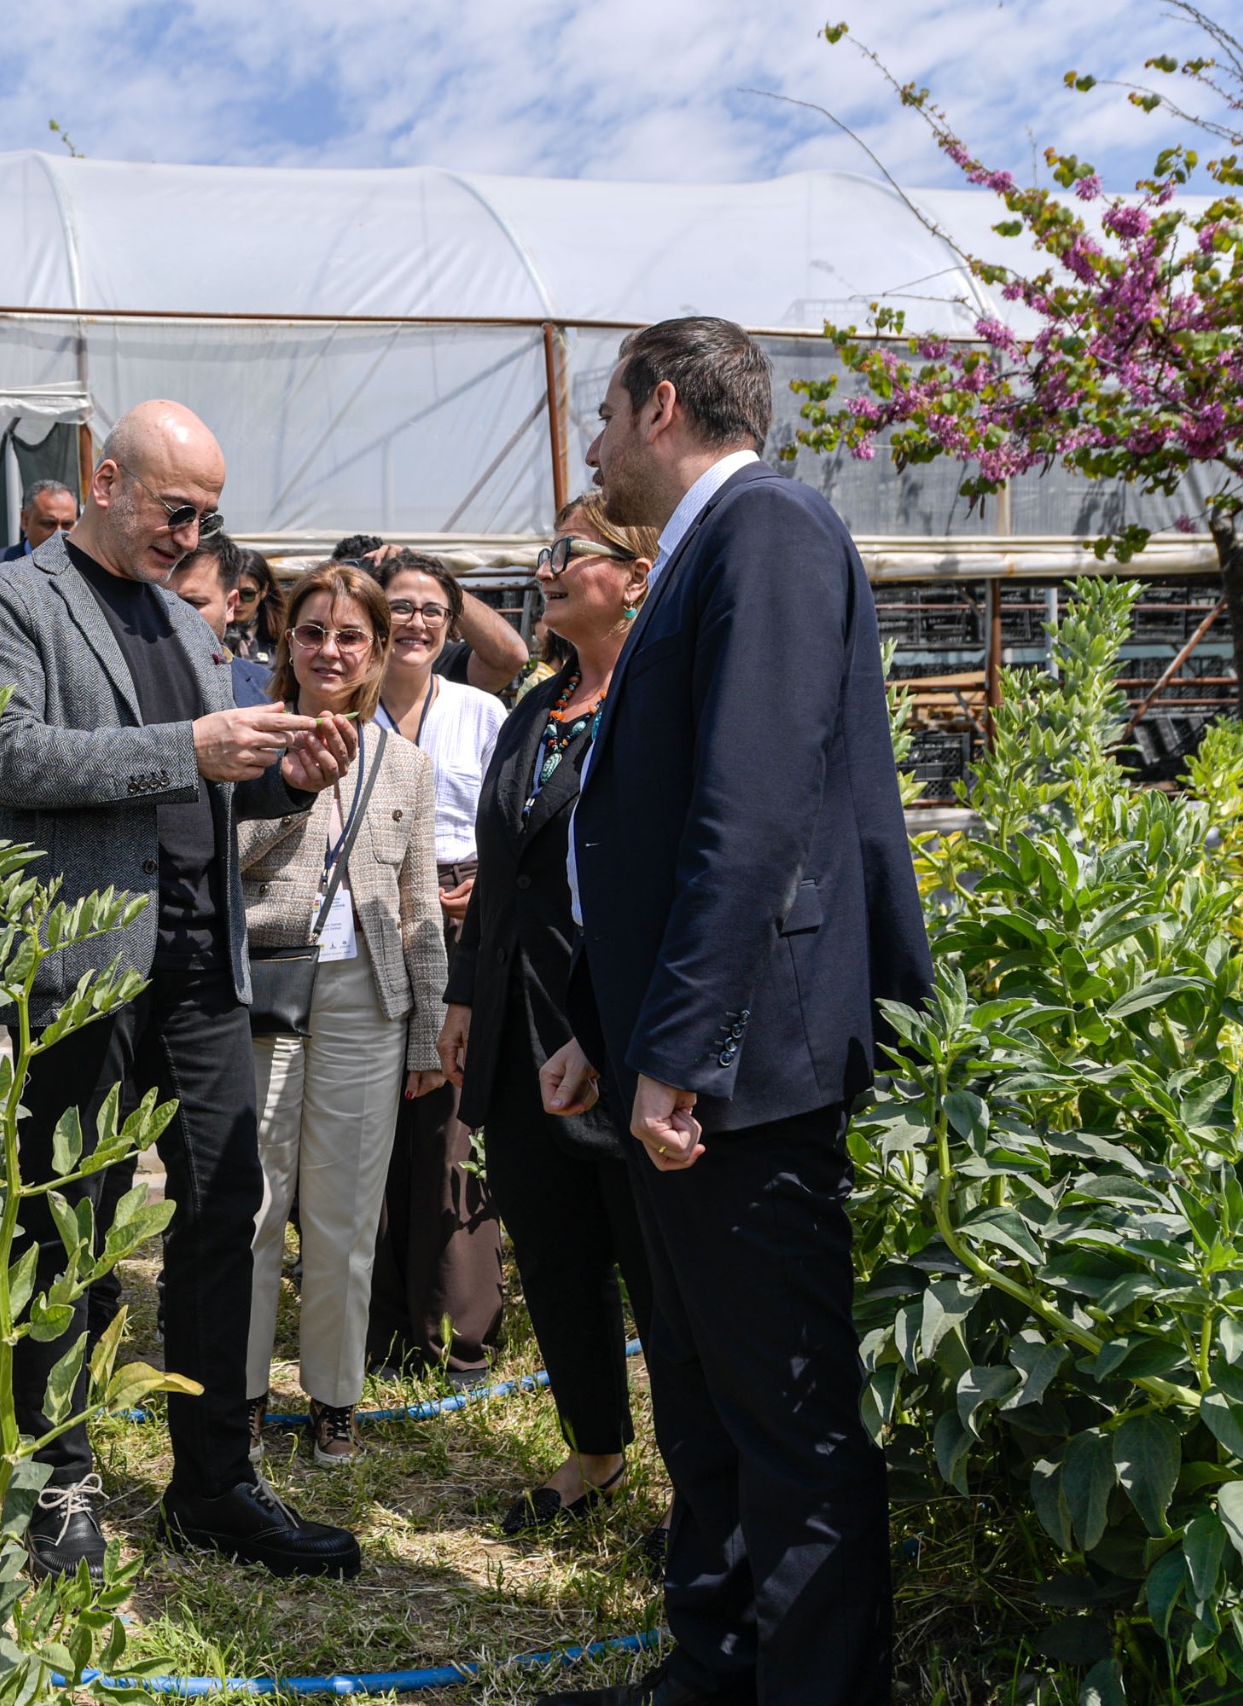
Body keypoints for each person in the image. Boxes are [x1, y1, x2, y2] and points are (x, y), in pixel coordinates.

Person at [532, 318, 931, 1706]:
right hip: (698, 1062)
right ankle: (715, 1670)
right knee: (704, 1402)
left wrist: (681, 1049)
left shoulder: (764, 528)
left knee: (790, 1421)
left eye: (600, 416)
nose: (588, 447)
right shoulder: (721, 544)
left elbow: (750, 815)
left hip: (745, 1076)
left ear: (657, 405)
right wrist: (616, 1028)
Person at [0, 399, 365, 1583]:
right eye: (172, 507)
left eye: (206, 516)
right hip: (83, 969)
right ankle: (58, 1476)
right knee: (67, 1225)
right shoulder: (12, 599)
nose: (190, 534)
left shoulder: (186, 628)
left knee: (222, 1209)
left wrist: (281, 778)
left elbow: (213, 797)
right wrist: (187, 745)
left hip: (197, 966)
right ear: (101, 475)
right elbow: (3, 756)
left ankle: (214, 1479)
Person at [436, 496, 660, 1543]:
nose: (547, 565)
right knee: (557, 1250)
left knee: (653, 1262)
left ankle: (703, 1478)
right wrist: (465, 993)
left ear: (637, 576)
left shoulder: (654, 705)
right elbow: (499, 872)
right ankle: (596, 1447)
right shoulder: (535, 707)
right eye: (545, 550)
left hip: (613, 1029)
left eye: (572, 552)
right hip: (518, 1029)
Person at [236, 562, 446, 1468]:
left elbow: (420, 907)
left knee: (345, 1214)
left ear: (377, 649)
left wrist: (429, 1027)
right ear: (288, 640)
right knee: (250, 1207)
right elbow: (228, 866)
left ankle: (333, 1399)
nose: (330, 650)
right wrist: (296, 781)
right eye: (313, 631)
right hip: (264, 992)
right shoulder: (246, 740)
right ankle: (239, 1397)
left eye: (349, 636)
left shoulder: (406, 763)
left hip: (368, 999)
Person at [363, 552, 509, 1386]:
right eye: (400, 607)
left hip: (463, 924)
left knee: (452, 1123)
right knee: (372, 1124)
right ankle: (380, 1327)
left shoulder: (482, 712)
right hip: (374, 927)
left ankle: (456, 1331)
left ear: (451, 625)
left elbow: (511, 819)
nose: (415, 622)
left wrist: (480, 893)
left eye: (431, 609)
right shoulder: (344, 716)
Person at [329, 535, 528, 696]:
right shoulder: (325, 659)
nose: (417, 624)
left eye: (430, 610)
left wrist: (428, 576)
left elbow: (511, 657)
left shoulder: (428, 655)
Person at [167, 535, 275, 707]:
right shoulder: (126, 677)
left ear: (230, 605)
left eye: (194, 603)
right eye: (162, 601)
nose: (175, 614)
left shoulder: (267, 689)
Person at [0, 477, 80, 583]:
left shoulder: (84, 569)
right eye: (48, 524)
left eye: (67, 524)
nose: (58, 533)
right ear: (25, 520)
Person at [229, 551, 280, 663]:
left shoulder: (281, 637)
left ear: (263, 590)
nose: (237, 603)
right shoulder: (210, 633)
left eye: (247, 594)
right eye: (231, 594)